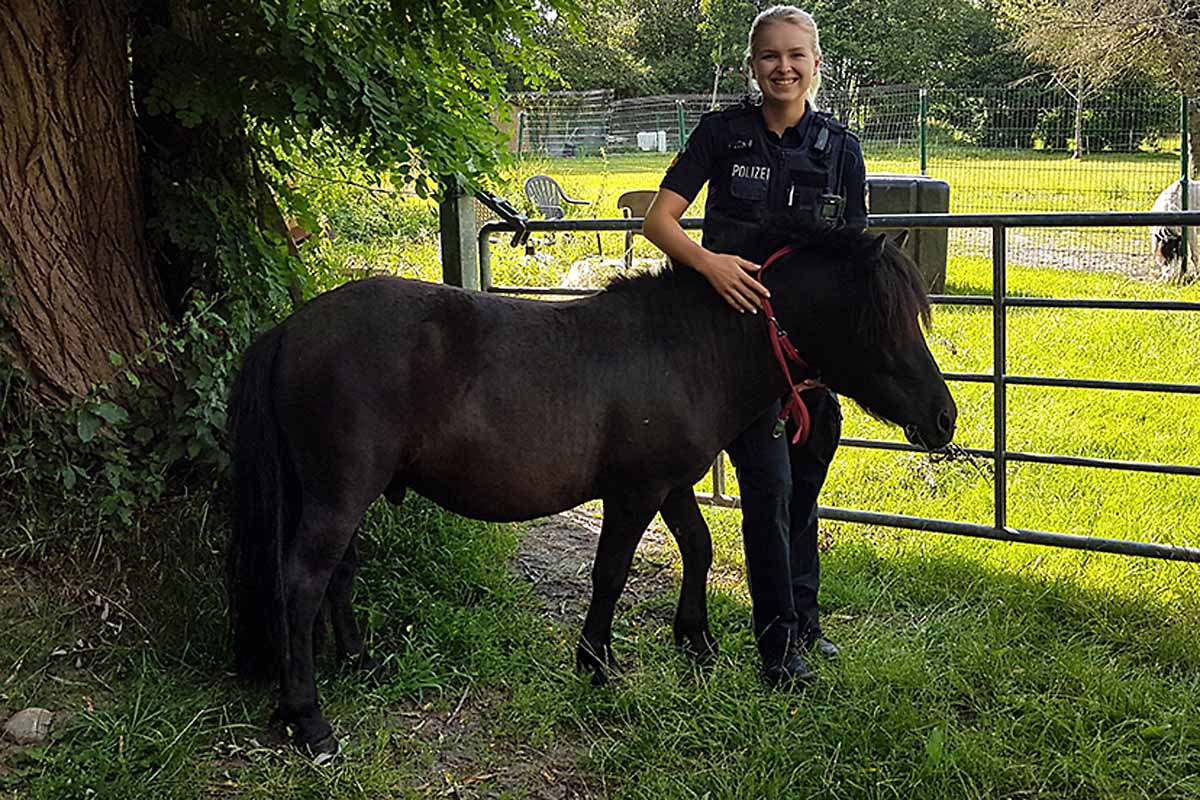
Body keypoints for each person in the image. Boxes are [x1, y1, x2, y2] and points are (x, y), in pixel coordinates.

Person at [642, 4, 867, 687]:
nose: (784, 67)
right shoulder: (721, 135)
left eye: (797, 55)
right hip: (731, 356)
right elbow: (660, 220)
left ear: (817, 65)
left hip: (807, 362)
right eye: (770, 56)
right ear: (753, 66)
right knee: (768, 489)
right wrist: (708, 264)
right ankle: (779, 651)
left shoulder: (841, 150)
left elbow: (852, 265)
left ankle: (805, 619)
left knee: (802, 491)